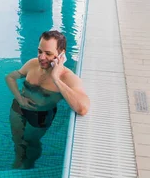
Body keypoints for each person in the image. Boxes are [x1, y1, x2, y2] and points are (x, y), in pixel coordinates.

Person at [5, 30, 89, 169]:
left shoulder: (67, 78)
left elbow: (83, 108)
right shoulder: (32, 64)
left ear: (61, 54)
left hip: (41, 116)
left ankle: (29, 163)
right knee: (17, 140)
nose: (41, 57)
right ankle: (18, 159)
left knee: (31, 141)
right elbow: (9, 77)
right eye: (39, 51)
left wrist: (56, 78)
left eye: (48, 53)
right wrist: (20, 99)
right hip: (19, 107)